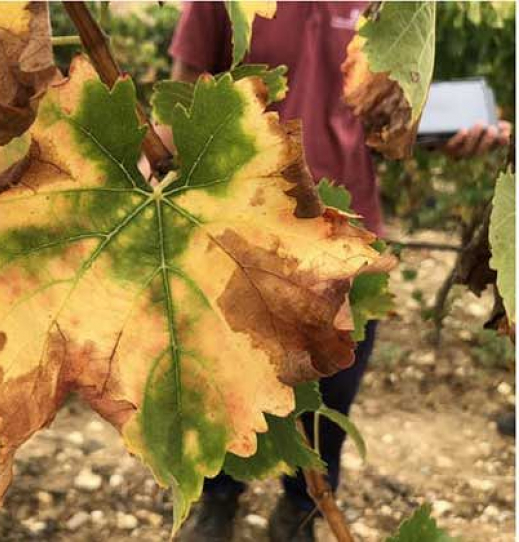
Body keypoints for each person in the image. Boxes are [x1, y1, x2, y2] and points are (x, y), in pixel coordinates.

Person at [164, 3, 511, 541]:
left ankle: (300, 509)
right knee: (224, 381)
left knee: (332, 395)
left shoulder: (386, 5)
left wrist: (446, 135)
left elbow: (389, 124)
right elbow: (181, 98)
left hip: (350, 235)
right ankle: (216, 501)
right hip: (240, 231)